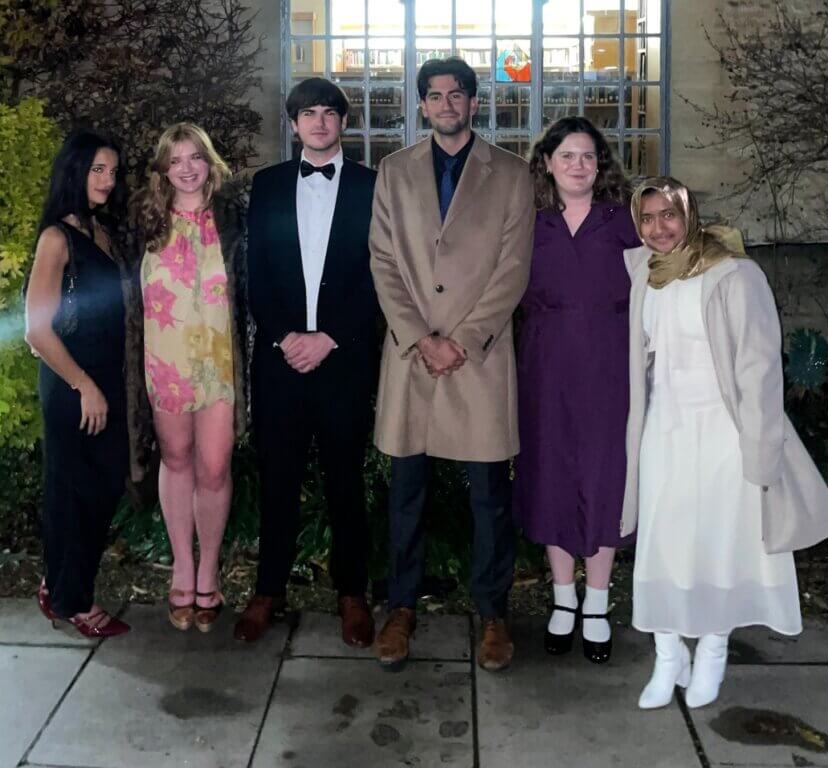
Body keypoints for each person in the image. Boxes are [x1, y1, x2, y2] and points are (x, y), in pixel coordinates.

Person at [622, 176, 828, 709]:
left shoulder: (732, 273)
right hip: (666, 429)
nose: (658, 229)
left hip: (724, 431)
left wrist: (762, 446)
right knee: (665, 541)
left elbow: (761, 366)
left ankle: (714, 651)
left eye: (668, 216)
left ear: (689, 214)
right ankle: (668, 653)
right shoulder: (643, 274)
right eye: (648, 218)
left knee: (720, 542)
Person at [369, 57, 534, 672]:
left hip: (479, 357)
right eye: (433, 96)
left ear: (472, 102)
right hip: (412, 356)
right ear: (421, 105)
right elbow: (383, 260)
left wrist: (463, 339)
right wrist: (420, 337)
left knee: (490, 494)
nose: (445, 104)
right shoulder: (393, 171)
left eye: (455, 94)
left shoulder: (511, 173)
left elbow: (514, 266)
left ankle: (493, 613)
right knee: (405, 492)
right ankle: (402, 607)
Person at [235, 78, 379, 647]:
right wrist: (285, 336)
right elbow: (256, 274)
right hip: (280, 361)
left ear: (343, 122)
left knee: (346, 482)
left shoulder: (373, 185)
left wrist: (332, 337)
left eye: (329, 113)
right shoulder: (266, 185)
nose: (319, 122)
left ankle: (352, 594)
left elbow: (383, 274)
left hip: (343, 361)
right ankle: (268, 590)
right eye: (308, 113)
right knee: (278, 481)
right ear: (292, 124)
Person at [514, 116, 640, 662]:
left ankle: (597, 601)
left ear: (601, 165)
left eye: (588, 156)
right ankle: (562, 598)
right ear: (547, 162)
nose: (578, 166)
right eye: (567, 156)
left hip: (612, 363)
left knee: (606, 473)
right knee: (553, 472)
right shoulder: (527, 222)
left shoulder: (625, 221)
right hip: (545, 362)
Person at [134, 122, 249, 633]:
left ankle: (209, 569)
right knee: (176, 460)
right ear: (163, 168)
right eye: (175, 159)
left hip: (221, 364)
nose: (186, 167)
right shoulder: (143, 222)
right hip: (165, 362)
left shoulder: (232, 219)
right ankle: (182, 566)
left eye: (195, 157)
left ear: (210, 163)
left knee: (215, 466)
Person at [25, 130, 132, 638]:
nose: (108, 181)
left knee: (104, 486)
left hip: (106, 377)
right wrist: (83, 384)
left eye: (112, 171)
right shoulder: (56, 238)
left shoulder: (101, 231)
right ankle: (72, 602)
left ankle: (59, 584)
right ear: (74, 171)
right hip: (73, 381)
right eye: (97, 170)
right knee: (72, 492)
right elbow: (36, 330)